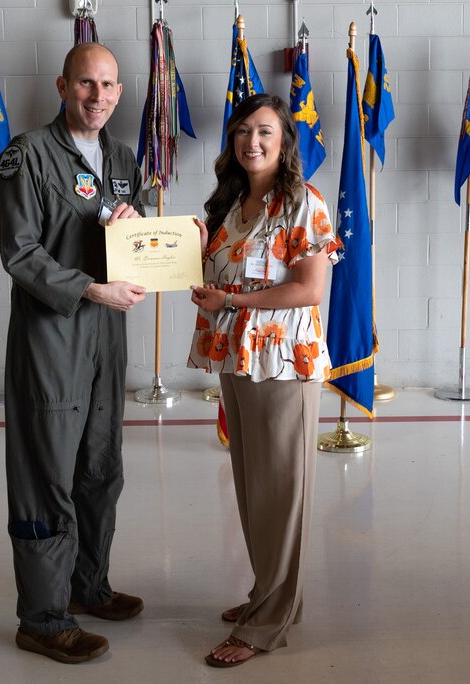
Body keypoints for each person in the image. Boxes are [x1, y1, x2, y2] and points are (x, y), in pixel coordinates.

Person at [0, 42, 146, 665]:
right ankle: (43, 617)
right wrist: (89, 287)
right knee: (47, 476)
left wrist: (151, 239)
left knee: (100, 468)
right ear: (62, 86)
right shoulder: (25, 156)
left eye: (109, 86)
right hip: (52, 335)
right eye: (87, 84)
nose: (99, 97)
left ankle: (87, 587)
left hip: (107, 334)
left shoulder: (122, 158)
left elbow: (130, 242)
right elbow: (21, 252)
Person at [188, 93, 340, 667]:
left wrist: (231, 298)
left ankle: (267, 623)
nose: (252, 141)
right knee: (253, 486)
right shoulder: (230, 203)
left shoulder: (303, 202)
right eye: (243, 131)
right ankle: (270, 594)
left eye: (266, 132)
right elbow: (218, 278)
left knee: (282, 490)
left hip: (285, 363)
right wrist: (198, 262)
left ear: (284, 142)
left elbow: (307, 289)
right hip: (236, 360)